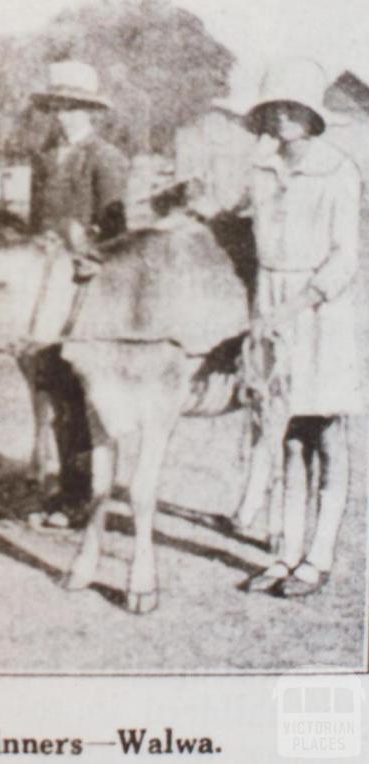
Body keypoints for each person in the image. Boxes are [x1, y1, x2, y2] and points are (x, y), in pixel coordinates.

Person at [239, 58, 363, 597]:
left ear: (313, 117)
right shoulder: (261, 172)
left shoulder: (339, 170)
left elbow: (343, 259)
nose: (284, 117)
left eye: (294, 108)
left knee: (327, 435)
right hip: (269, 303)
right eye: (275, 109)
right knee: (286, 436)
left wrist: (290, 310)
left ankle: (319, 554)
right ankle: (286, 552)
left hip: (320, 313)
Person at [26, 60, 129, 532]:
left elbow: (116, 233)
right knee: (50, 380)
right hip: (45, 283)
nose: (63, 115)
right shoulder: (45, 157)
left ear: (90, 110)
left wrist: (92, 260)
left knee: (81, 389)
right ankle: (64, 485)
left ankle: (82, 496)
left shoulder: (104, 157)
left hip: (85, 285)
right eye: (56, 106)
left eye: (72, 106)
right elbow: (35, 223)